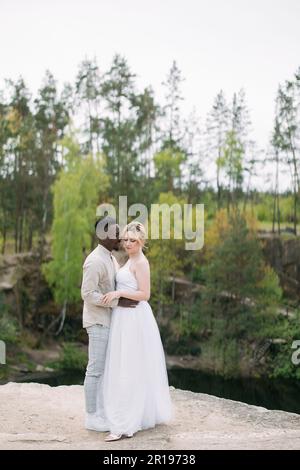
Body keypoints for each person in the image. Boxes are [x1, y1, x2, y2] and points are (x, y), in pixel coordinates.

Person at [101, 221, 173, 442]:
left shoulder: (141, 262)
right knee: (124, 363)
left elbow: (145, 294)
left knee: (130, 366)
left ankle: (125, 424)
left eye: (133, 240)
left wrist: (118, 293)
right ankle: (129, 413)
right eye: (125, 239)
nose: (128, 243)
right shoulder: (128, 259)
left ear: (141, 242)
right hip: (123, 317)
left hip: (134, 317)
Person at [81, 216, 138, 432]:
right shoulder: (95, 260)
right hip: (97, 322)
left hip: (108, 321)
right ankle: (91, 416)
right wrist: (117, 301)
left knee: (104, 370)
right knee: (95, 370)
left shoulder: (110, 258)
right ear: (102, 235)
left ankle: (101, 411)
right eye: (115, 234)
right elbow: (86, 293)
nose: (120, 237)